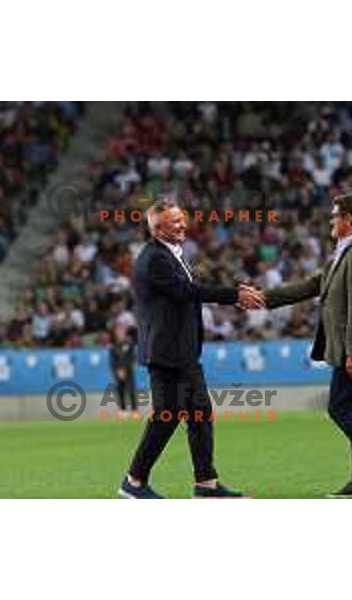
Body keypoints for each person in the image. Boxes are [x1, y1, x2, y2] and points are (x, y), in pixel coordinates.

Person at [119, 198, 265, 499]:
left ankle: (206, 483)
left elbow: (187, 293)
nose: (183, 224)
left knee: (200, 414)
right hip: (167, 353)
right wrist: (233, 295)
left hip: (181, 352)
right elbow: (186, 292)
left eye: (182, 219)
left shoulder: (172, 255)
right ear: (158, 228)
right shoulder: (155, 258)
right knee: (167, 416)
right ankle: (134, 481)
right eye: (175, 221)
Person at [264, 193, 352, 498]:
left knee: (339, 408)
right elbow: (313, 285)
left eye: (335, 215)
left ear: (348, 220)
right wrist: (266, 298)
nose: (331, 220)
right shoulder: (343, 252)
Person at [110, 325, 137, 413]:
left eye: (122, 331)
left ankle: (134, 410)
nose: (120, 333)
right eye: (118, 331)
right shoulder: (114, 347)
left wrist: (127, 368)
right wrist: (118, 370)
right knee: (120, 390)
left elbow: (132, 357)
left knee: (131, 389)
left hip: (128, 370)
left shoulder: (129, 344)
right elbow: (113, 360)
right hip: (118, 372)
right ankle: (123, 410)